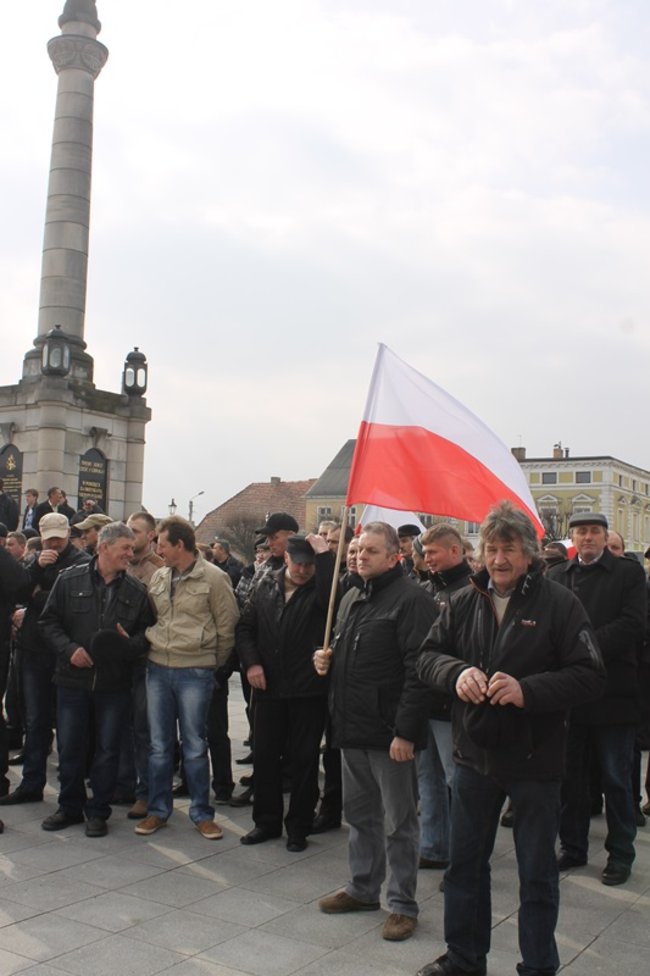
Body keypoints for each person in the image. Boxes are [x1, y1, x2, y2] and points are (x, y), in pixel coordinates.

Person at [415, 501, 606, 976]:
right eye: (491, 548)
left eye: (509, 549)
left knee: (537, 874)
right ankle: (463, 960)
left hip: (534, 760)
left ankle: (539, 965)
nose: (498, 559)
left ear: (529, 554)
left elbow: (589, 675)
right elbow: (428, 656)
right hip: (474, 755)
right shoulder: (463, 600)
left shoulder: (560, 603)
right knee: (465, 868)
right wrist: (454, 673)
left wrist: (528, 690)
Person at [315, 522, 436, 943]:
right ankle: (363, 887)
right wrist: (327, 659)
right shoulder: (351, 596)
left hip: (390, 735)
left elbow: (418, 671)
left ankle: (402, 903)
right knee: (361, 817)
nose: (359, 556)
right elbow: (350, 652)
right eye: (356, 549)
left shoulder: (412, 600)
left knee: (399, 823)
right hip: (352, 728)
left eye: (370, 550)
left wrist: (406, 732)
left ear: (393, 556)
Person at [548, 512, 646, 886]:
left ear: (605, 537)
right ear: (573, 537)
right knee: (569, 778)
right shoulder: (558, 576)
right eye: (581, 531)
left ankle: (620, 854)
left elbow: (633, 624)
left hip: (613, 695)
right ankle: (572, 846)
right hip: (569, 697)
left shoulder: (627, 574)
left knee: (615, 779)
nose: (587, 537)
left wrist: (582, 647)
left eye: (594, 531)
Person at [39, 522, 152, 837]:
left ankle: (98, 811)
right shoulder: (68, 579)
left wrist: (125, 646)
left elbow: (146, 636)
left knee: (107, 749)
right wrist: (69, 649)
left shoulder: (136, 591)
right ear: (104, 548)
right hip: (72, 681)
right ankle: (69, 807)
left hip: (113, 685)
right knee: (71, 746)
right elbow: (48, 622)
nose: (131, 554)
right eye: (125, 549)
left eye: (132, 548)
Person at [135, 516, 239, 840]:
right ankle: (158, 810)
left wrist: (210, 665)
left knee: (195, 745)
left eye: (162, 544)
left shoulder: (215, 578)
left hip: (195, 671)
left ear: (179, 545)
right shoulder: (160, 577)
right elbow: (152, 617)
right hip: (157, 668)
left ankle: (201, 813)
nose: (158, 550)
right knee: (159, 746)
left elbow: (227, 627)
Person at [238, 533, 336, 850]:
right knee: (265, 758)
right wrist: (252, 664)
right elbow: (245, 628)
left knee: (304, 761)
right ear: (288, 560)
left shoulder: (323, 590)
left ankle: (299, 827)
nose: (304, 570)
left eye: (310, 564)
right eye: (299, 563)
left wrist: (325, 556)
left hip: (308, 691)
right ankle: (265, 822)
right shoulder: (266, 584)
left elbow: (332, 598)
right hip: (268, 688)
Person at [0, 514, 90, 806]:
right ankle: (31, 783)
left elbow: (72, 601)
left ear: (67, 535)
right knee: (35, 720)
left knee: (67, 723)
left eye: (58, 537)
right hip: (33, 648)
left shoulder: (80, 561)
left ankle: (70, 790)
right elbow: (18, 589)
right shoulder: (34, 560)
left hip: (63, 651)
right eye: (49, 537)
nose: (54, 543)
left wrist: (39, 598)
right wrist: (37, 569)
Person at [417, 524, 472, 871]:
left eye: (432, 553)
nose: (427, 560)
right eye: (424, 554)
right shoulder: (424, 589)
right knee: (429, 779)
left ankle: (465, 856)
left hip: (453, 704)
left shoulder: (471, 592)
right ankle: (434, 846)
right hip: (424, 699)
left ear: (454, 551)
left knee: (458, 783)